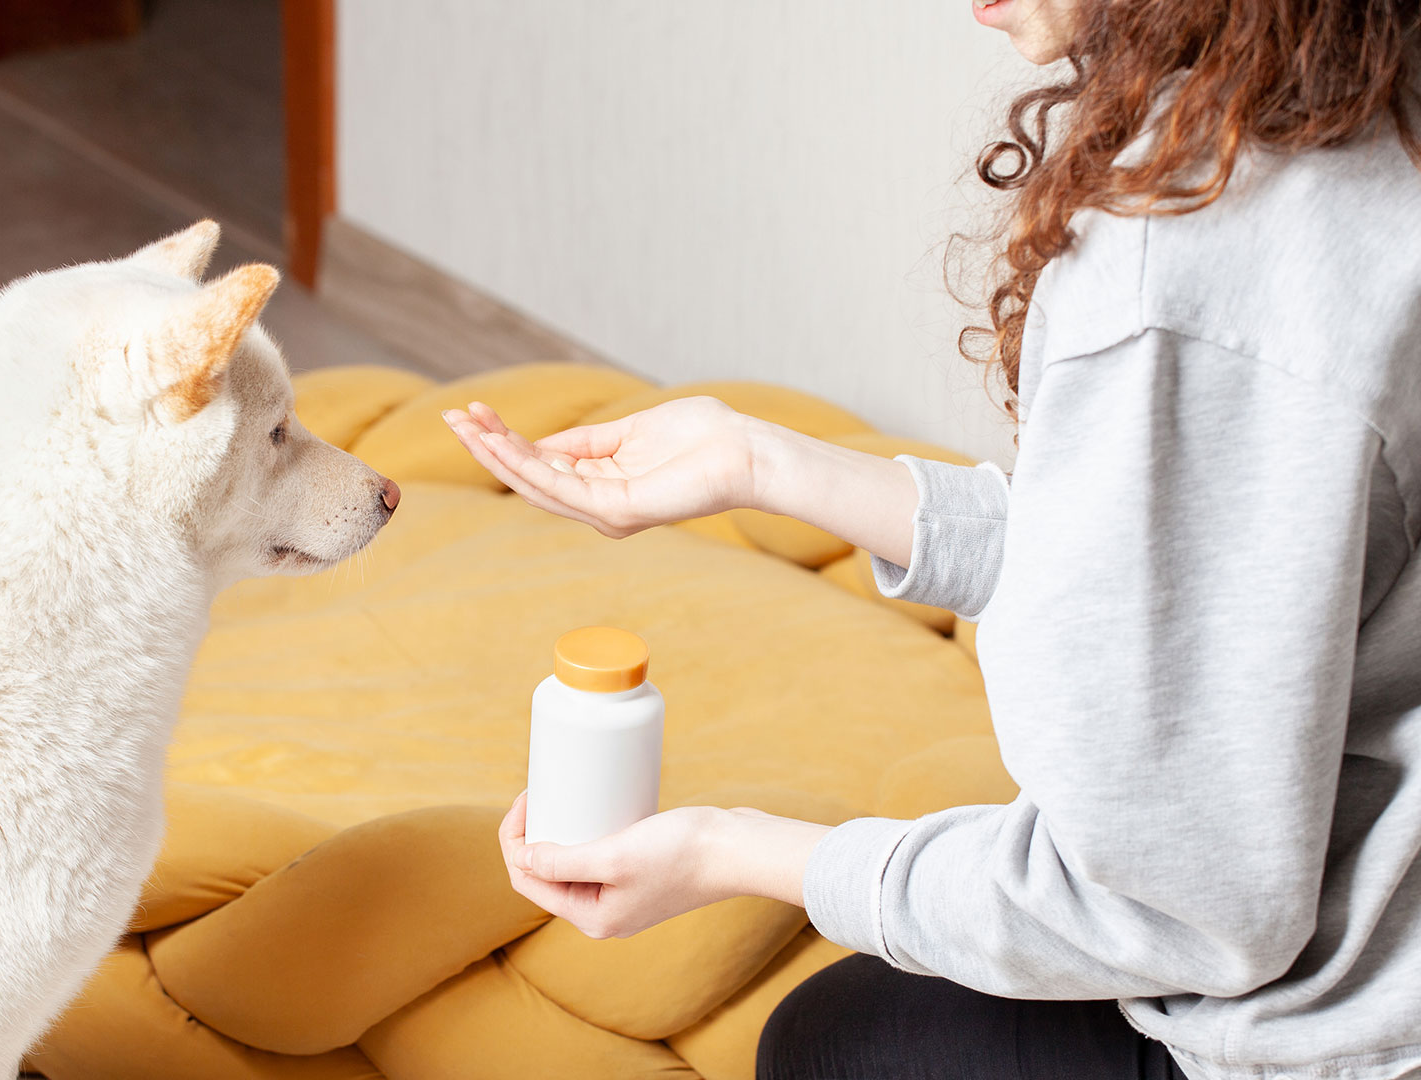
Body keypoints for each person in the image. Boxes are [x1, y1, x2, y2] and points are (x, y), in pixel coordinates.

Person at [443, 1, 1421, 1077]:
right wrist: (760, 465)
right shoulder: (1372, 108)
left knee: (832, 1047)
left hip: (1352, 1037)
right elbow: (1191, 569)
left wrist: (731, 849)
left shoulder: (1195, 255)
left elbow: (1180, 911)